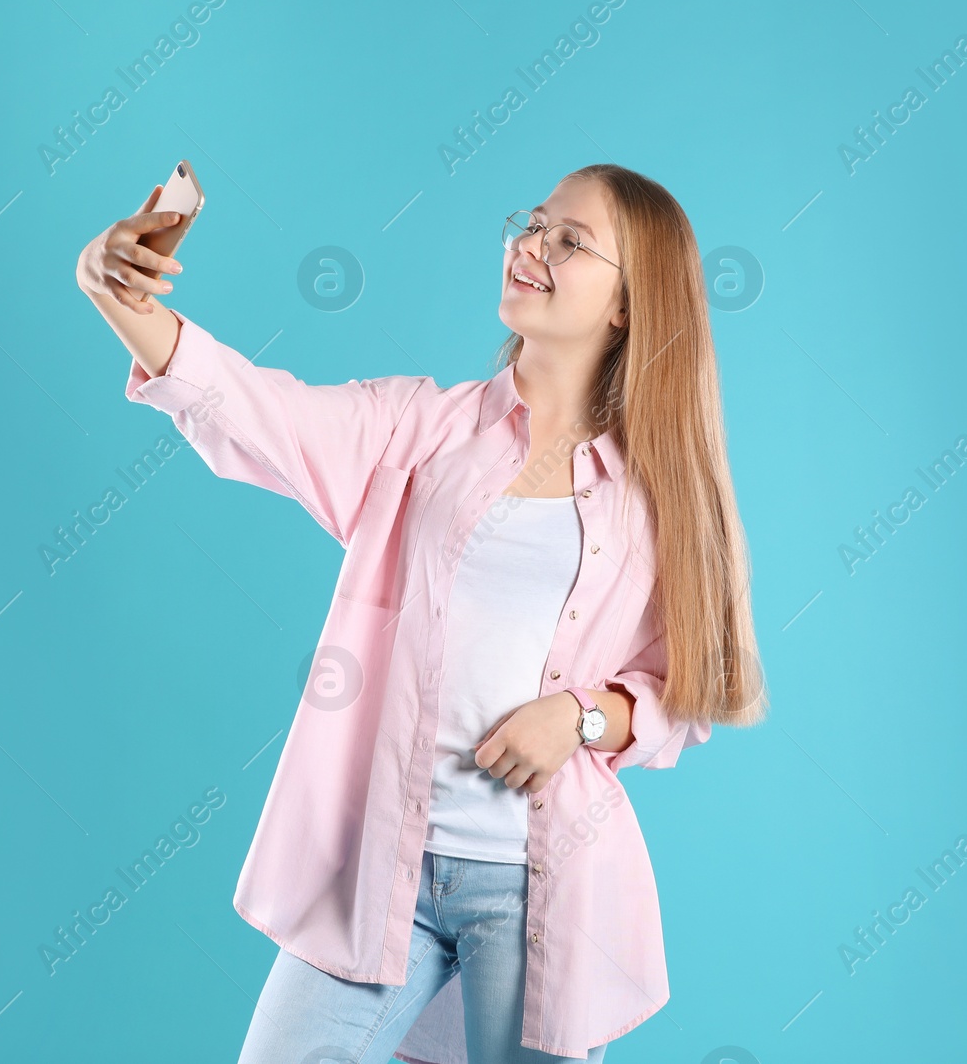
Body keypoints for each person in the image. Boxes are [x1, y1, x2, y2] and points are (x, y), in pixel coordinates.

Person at [76, 163, 768, 1063]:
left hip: (541, 896)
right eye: (535, 224)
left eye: (571, 241)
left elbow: (691, 692)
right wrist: (114, 290)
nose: (532, 245)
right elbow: (253, 409)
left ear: (628, 306)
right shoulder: (417, 430)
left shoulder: (658, 500)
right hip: (379, 879)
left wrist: (583, 716)